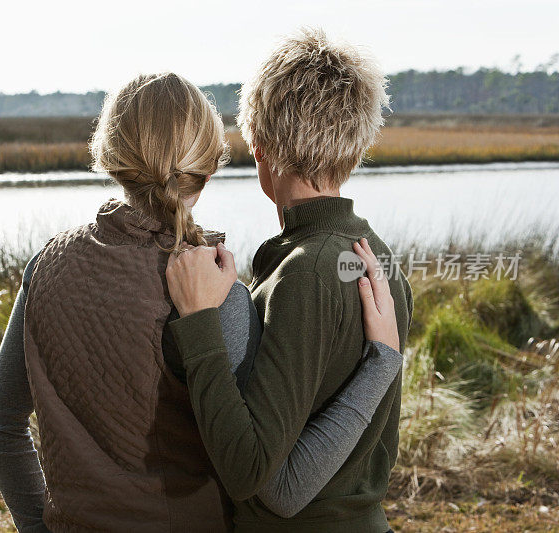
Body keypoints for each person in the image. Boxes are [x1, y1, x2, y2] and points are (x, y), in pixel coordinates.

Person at [0, 72, 403, 532]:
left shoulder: (46, 266)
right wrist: (383, 363)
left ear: (109, 154)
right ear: (209, 166)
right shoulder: (215, 296)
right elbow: (273, 480)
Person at [165, 29, 414, 533]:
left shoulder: (305, 273)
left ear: (259, 143)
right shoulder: (378, 256)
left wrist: (198, 328)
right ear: (358, 139)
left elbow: (252, 472)